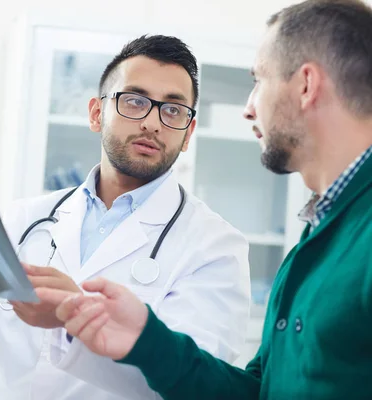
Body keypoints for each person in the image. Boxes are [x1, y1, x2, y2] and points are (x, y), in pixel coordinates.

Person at [37, 1, 372, 399]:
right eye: (133, 101)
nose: (248, 109)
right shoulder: (317, 235)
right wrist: (148, 340)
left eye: (258, 80)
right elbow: (260, 392)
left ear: (305, 85)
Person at [0, 35, 252, 400]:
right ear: (97, 113)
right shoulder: (25, 219)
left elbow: (193, 385)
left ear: (188, 132)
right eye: (134, 101)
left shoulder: (216, 247)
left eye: (173, 110)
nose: (152, 123)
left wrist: (74, 318)